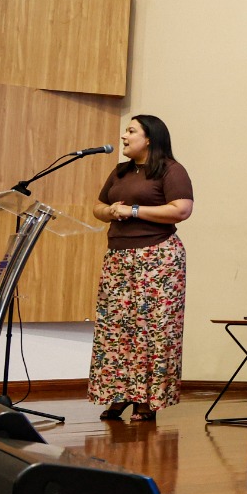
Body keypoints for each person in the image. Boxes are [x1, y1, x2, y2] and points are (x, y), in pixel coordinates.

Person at [89, 115, 195, 423]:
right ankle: (119, 394)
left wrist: (133, 210)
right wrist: (110, 211)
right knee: (117, 329)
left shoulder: (171, 170)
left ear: (149, 139)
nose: (124, 136)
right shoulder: (120, 171)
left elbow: (182, 209)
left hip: (158, 258)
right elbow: (97, 207)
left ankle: (146, 399)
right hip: (118, 258)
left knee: (152, 330)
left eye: (131, 131)